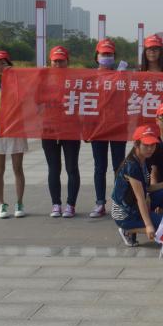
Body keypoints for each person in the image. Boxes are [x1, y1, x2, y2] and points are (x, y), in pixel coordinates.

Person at [0, 50, 28, 219]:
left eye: (3, 63)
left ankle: (20, 202)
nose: (0, 67)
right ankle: (1, 204)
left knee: (18, 168)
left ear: (10, 64)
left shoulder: (20, 83)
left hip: (16, 127)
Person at [41, 45, 81, 218]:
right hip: (49, 129)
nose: (58, 64)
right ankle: (56, 204)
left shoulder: (76, 80)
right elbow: (34, 101)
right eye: (55, 61)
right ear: (50, 62)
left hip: (71, 129)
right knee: (53, 168)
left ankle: (71, 205)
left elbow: (84, 103)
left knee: (72, 167)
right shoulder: (43, 80)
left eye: (61, 61)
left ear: (67, 61)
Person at [88, 38, 126, 218]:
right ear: (97, 56)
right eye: (104, 54)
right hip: (97, 127)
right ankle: (100, 202)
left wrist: (123, 78)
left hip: (118, 125)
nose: (106, 56)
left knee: (119, 166)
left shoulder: (122, 76)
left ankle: (119, 201)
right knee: (99, 166)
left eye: (110, 54)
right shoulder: (90, 78)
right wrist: (86, 129)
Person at [111, 125, 163, 246]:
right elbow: (140, 198)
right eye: (146, 145)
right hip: (125, 215)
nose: (150, 149)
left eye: (153, 145)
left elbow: (147, 188)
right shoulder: (132, 166)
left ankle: (157, 218)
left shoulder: (144, 159)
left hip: (137, 205)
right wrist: (149, 225)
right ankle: (127, 230)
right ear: (136, 145)